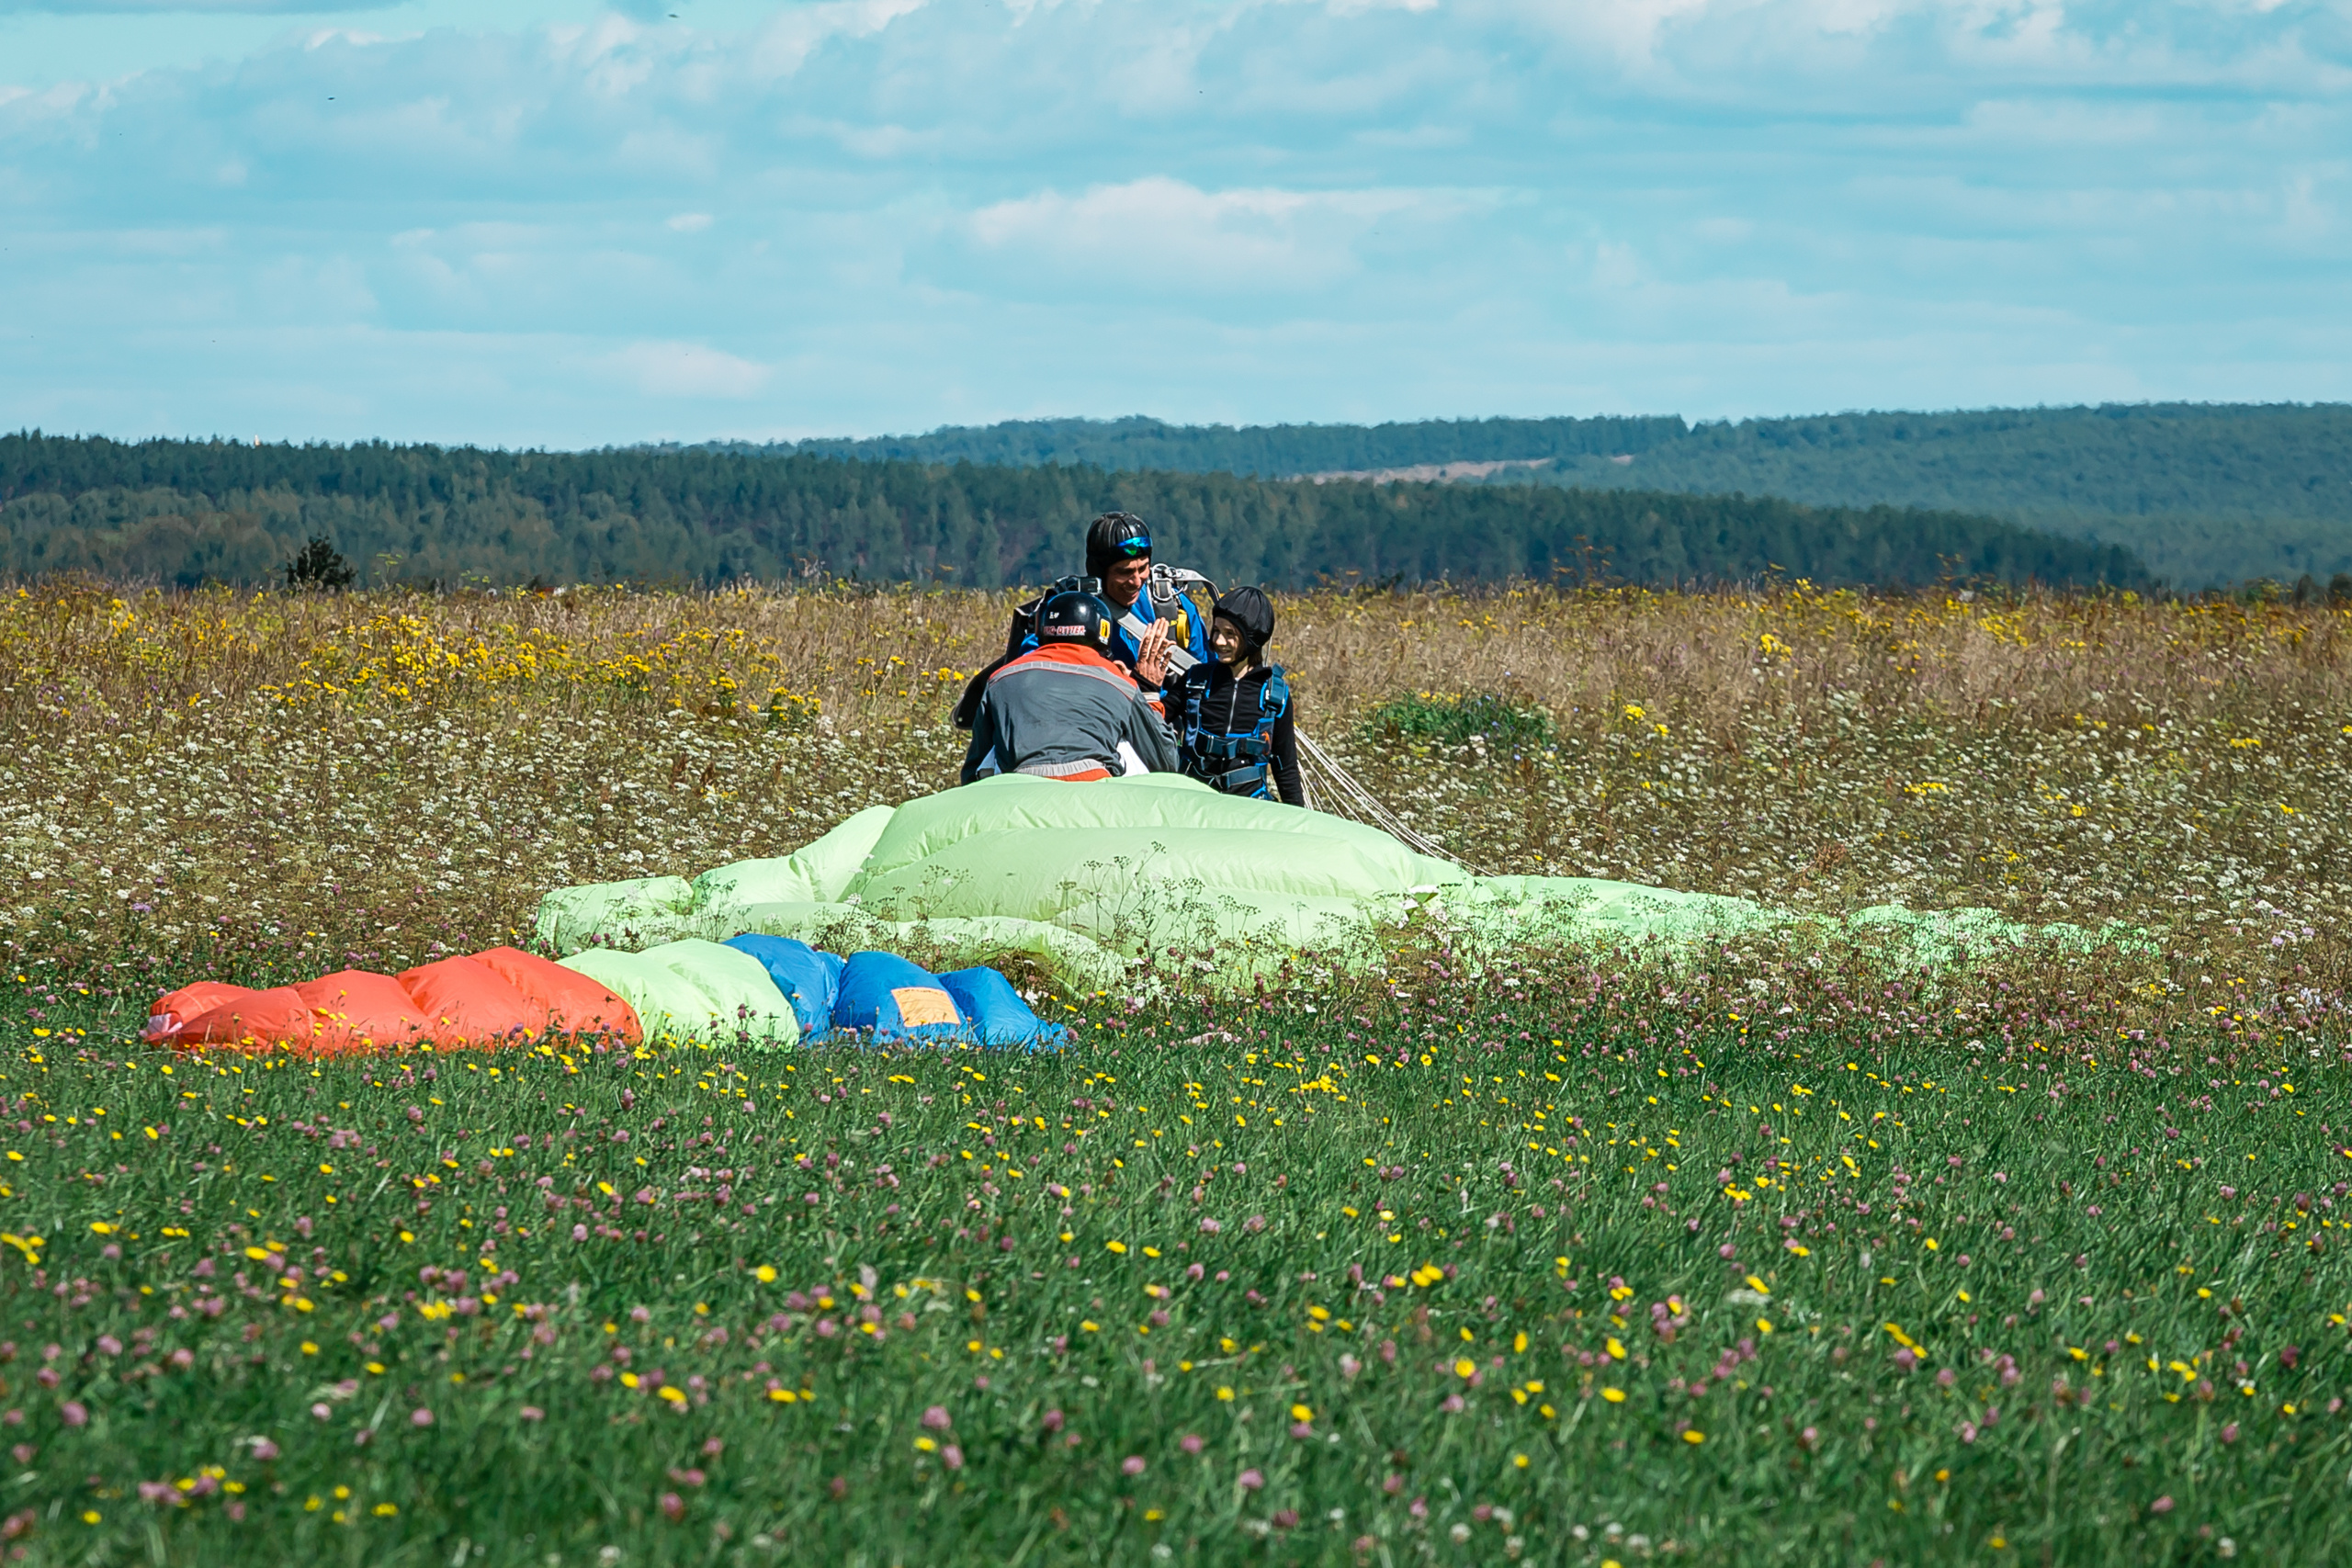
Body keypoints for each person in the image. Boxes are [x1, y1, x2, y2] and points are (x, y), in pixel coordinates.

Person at [960, 583, 1181, 784]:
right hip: (1094, 791)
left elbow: (974, 768)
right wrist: (1148, 692)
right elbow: (1165, 760)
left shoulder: (1000, 679)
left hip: (1020, 788)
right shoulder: (1120, 683)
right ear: (1102, 634)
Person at [1178, 585, 1303, 806]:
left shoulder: (1275, 696)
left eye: (1230, 634)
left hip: (1249, 807)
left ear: (1252, 640)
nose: (1218, 641)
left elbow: (1285, 767)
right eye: (1216, 631)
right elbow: (1150, 724)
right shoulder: (1195, 680)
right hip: (1192, 803)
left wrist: (1300, 821)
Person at [1084, 512, 1211, 697]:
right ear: (1099, 573)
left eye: (1143, 568)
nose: (1136, 581)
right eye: (1124, 572)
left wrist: (1148, 689)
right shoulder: (1071, 614)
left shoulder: (1173, 607)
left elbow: (1207, 683)